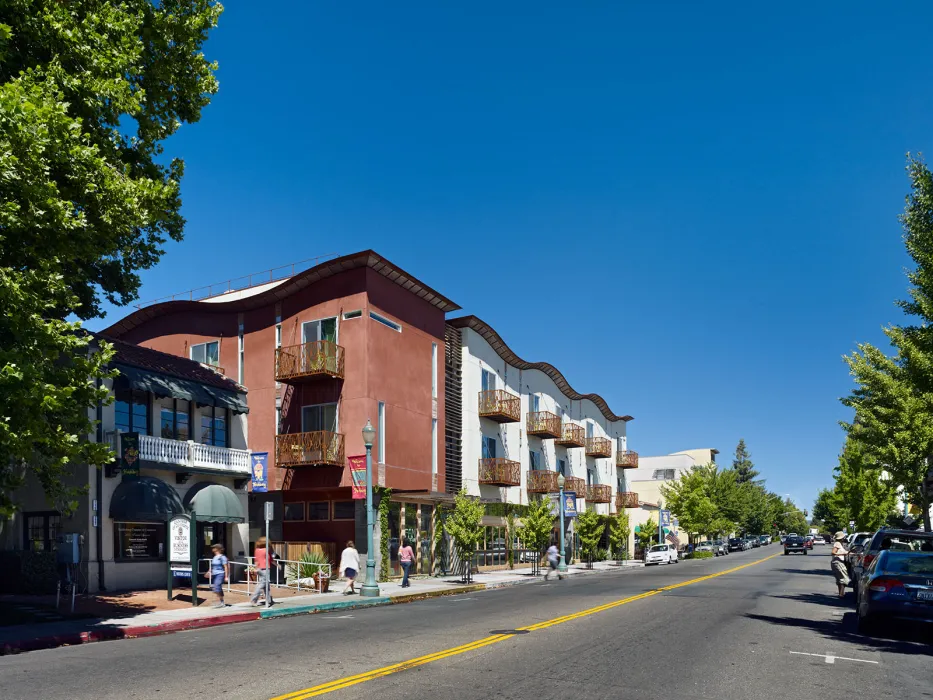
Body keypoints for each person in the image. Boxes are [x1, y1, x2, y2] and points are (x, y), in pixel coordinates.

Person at [249, 537, 274, 607]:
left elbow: (256, 560)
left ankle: (269, 600)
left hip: (259, 568)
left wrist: (255, 568)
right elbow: (271, 559)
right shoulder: (267, 550)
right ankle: (254, 599)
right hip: (265, 569)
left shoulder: (257, 550)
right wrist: (278, 565)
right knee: (262, 585)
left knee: (266, 585)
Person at [205, 543, 228, 608]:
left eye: (214, 548)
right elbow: (212, 566)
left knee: (216, 587)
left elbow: (226, 567)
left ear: (218, 549)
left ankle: (220, 601)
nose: (213, 549)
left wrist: (226, 576)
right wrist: (209, 571)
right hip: (214, 574)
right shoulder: (215, 557)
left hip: (220, 574)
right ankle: (222, 602)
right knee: (218, 588)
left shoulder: (222, 557)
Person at [831, 532, 851, 599]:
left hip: (837, 562)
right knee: (844, 578)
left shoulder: (840, 544)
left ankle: (841, 593)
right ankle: (841, 594)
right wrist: (842, 554)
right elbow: (833, 552)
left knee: (840, 579)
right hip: (838, 562)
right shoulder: (837, 543)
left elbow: (844, 552)